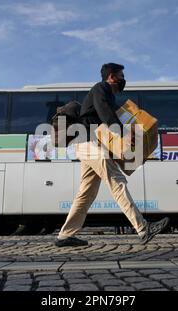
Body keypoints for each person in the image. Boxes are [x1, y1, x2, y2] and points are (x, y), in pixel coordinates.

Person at [55, 63, 170, 247]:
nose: (123, 79)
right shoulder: (101, 88)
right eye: (121, 75)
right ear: (111, 76)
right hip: (88, 143)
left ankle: (65, 235)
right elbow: (105, 112)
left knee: (86, 193)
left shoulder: (108, 95)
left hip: (87, 144)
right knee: (116, 181)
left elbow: (117, 115)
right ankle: (142, 228)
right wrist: (123, 134)